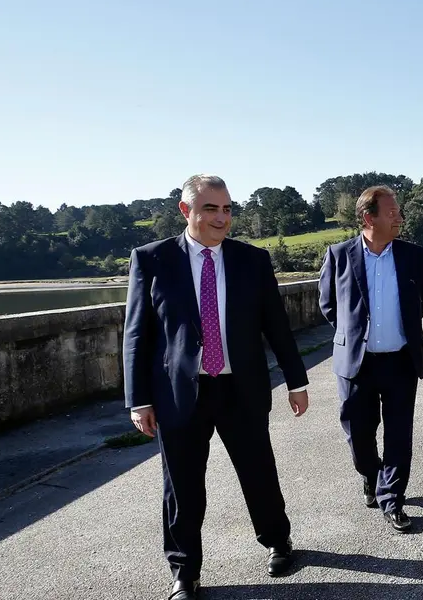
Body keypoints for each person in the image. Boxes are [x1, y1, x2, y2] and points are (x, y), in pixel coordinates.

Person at [123, 174, 309, 600]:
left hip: (239, 387)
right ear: (186, 210)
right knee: (182, 486)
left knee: (258, 472)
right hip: (178, 393)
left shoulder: (252, 260)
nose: (222, 217)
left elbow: (276, 326)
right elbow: (137, 334)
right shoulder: (152, 259)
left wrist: (296, 380)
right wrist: (139, 399)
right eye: (211, 208)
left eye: (227, 209)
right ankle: (185, 572)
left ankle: (278, 541)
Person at [319, 185, 423, 533]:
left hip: (400, 361)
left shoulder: (413, 255)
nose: (400, 216)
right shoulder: (339, 255)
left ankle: (392, 498)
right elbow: (328, 304)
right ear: (370, 217)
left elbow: (421, 303)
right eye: (393, 211)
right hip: (357, 362)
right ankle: (371, 473)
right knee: (358, 431)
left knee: (399, 434)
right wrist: (354, 336)